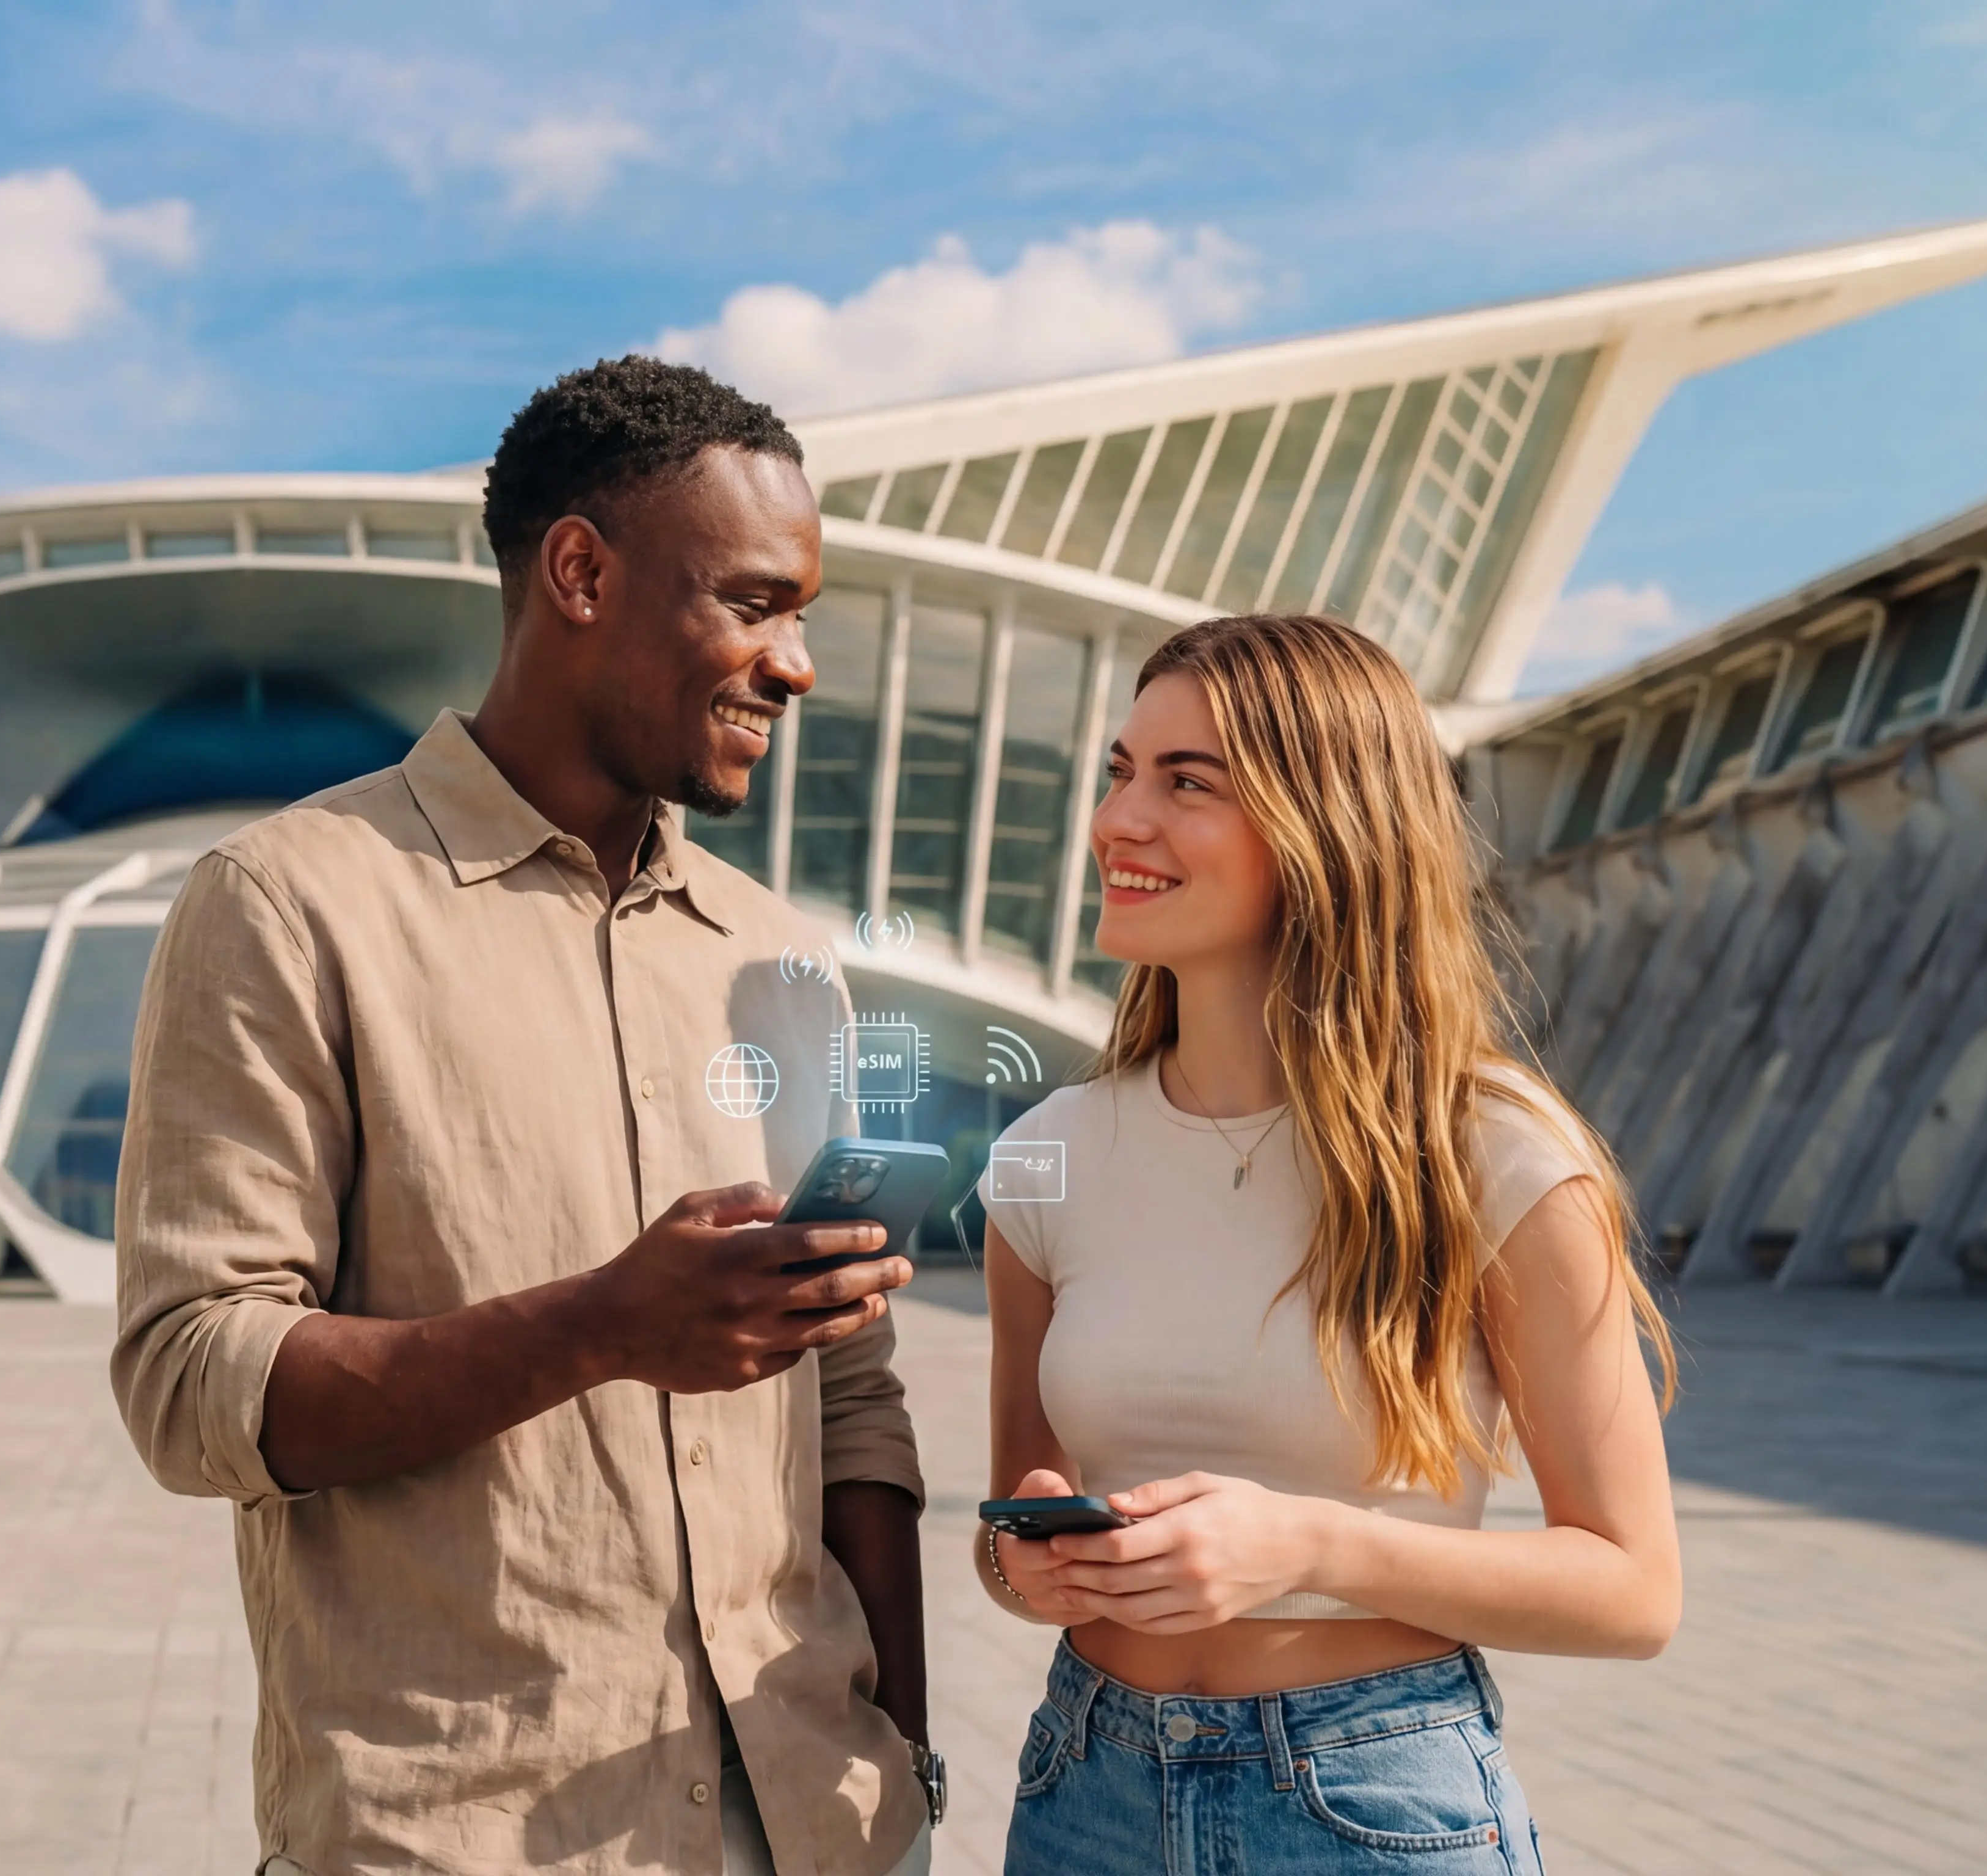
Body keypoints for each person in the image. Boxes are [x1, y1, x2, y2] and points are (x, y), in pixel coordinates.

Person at [112, 356, 942, 1875]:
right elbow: (191, 1381)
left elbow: (855, 1399)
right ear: (577, 572)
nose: (796, 662)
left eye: (801, 613)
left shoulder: (796, 963)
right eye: (753, 603)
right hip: (461, 1839)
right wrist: (599, 1327)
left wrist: (905, 1762)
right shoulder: (288, 907)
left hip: (813, 1826)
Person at [975, 613, 1683, 1874]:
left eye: (1186, 783)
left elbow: (1633, 1591)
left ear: (1327, 826)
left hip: (1373, 1801)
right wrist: (1030, 1561)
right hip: (1085, 1785)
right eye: (1121, 773)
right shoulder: (1047, 1155)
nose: (1118, 822)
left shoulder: (1493, 1153)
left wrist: (1307, 1546)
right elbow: (1004, 1530)